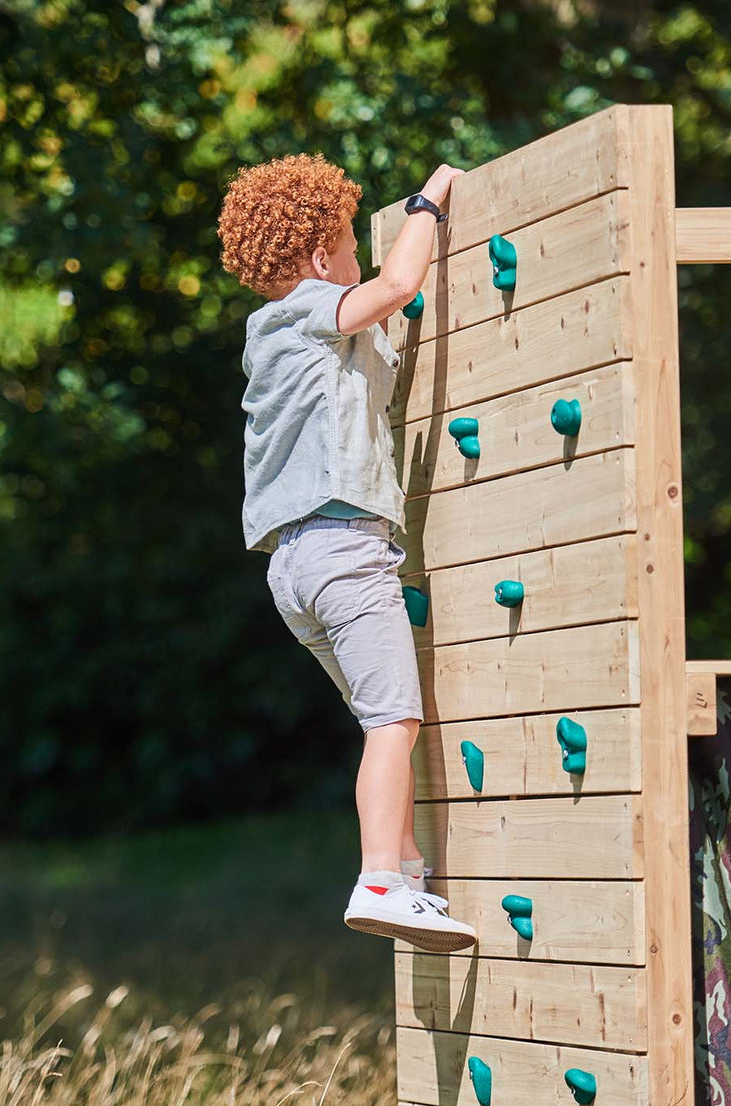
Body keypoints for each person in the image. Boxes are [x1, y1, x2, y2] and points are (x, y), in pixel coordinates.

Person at [217, 152, 476, 954]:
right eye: (350, 247)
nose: (360, 262)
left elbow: (377, 345)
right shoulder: (303, 312)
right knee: (395, 718)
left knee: (378, 714)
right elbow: (396, 288)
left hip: (293, 570)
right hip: (342, 551)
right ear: (319, 254)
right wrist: (428, 203)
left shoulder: (278, 337)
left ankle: (410, 875)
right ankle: (378, 880)